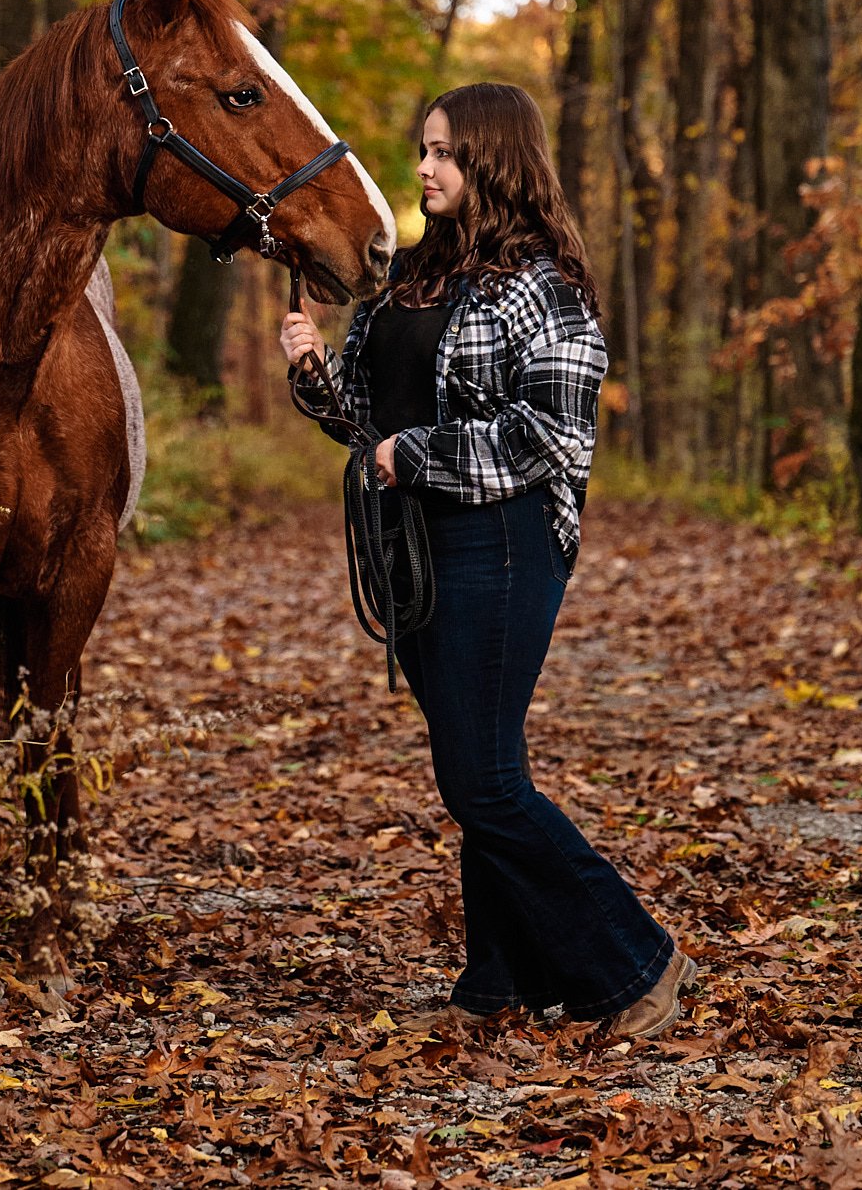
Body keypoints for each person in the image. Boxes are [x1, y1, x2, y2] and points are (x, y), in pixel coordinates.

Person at [280, 82, 694, 1038]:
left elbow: (552, 435)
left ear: (493, 158)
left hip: (501, 544)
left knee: (482, 784)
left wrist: (412, 456)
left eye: (443, 153)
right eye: (423, 150)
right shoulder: (414, 280)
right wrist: (313, 372)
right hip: (414, 549)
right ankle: (496, 984)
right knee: (482, 766)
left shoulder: (546, 286)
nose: (423, 169)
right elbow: (365, 422)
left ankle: (637, 962)